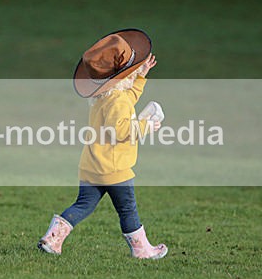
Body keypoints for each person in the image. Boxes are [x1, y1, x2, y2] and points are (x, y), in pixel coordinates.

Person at [38, 28, 168, 259]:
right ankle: (141, 250)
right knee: (127, 209)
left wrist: (140, 77)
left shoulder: (104, 96)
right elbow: (122, 130)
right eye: (134, 68)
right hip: (114, 168)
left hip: (92, 165)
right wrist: (147, 125)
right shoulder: (117, 101)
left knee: (83, 205)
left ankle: (53, 237)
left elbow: (127, 98)